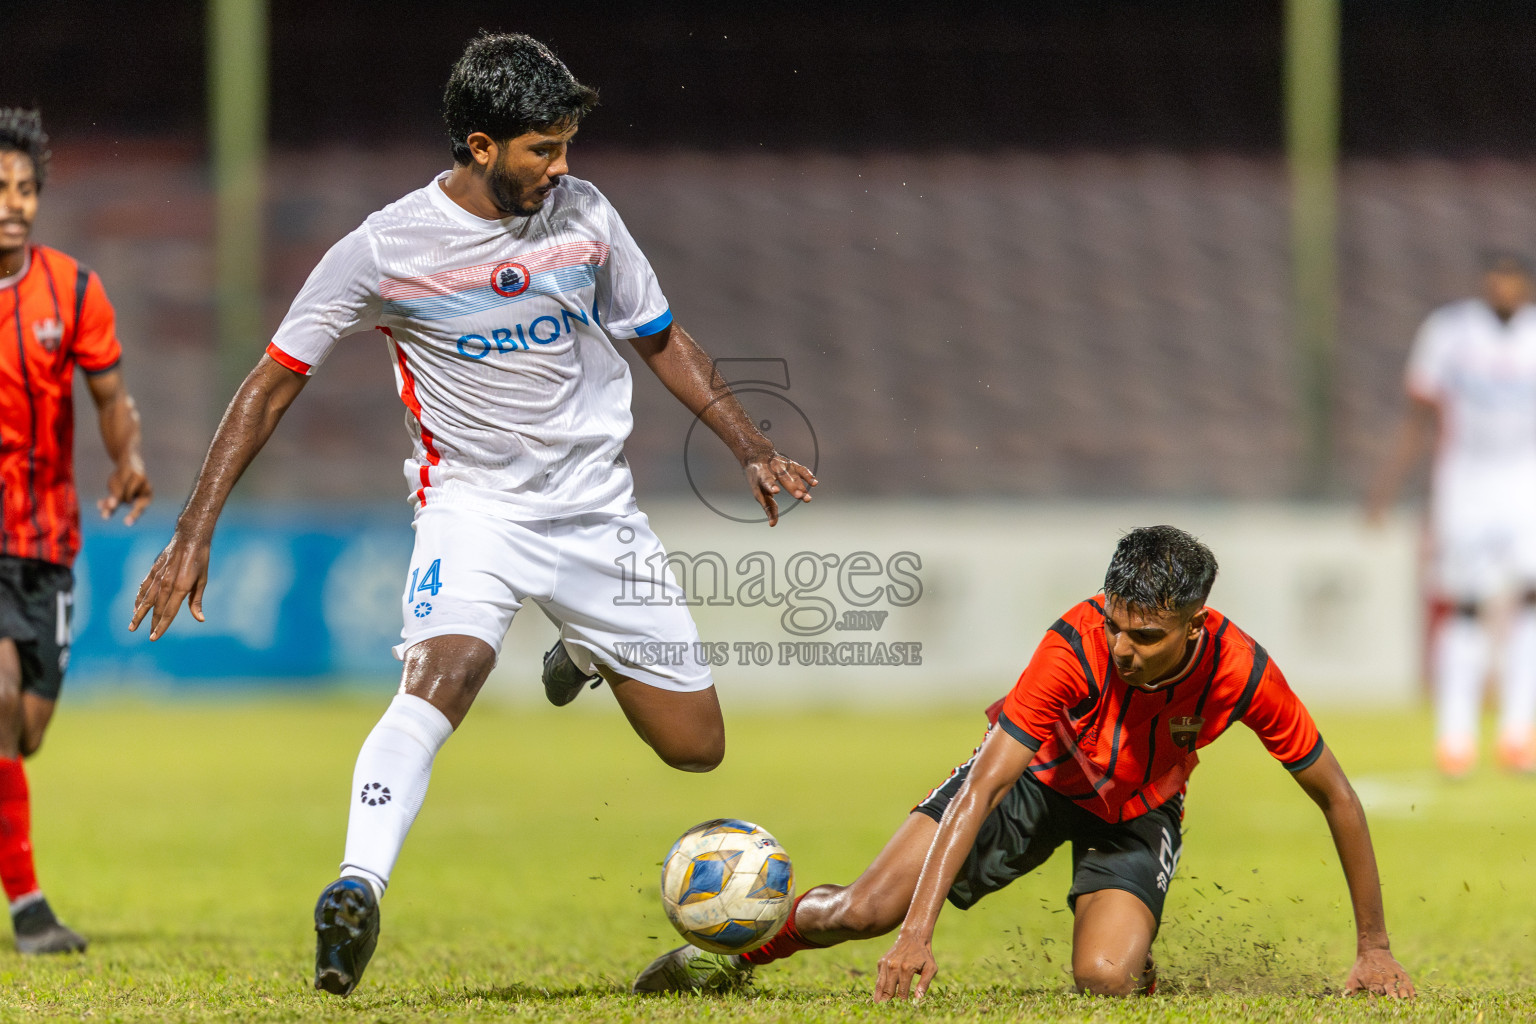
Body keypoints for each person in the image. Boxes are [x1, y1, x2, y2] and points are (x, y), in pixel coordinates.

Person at [127, 34, 815, 996]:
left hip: (594, 510)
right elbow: (271, 384)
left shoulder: (584, 215)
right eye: (545, 148)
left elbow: (661, 340)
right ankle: (356, 884)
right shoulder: (383, 248)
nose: (563, 166)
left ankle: (581, 648)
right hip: (474, 507)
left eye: (568, 145)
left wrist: (749, 445)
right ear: (481, 145)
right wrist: (195, 531)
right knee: (446, 672)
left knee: (697, 749)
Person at [634, 526, 1415, 1000]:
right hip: (1030, 789)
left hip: (1138, 813)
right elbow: (985, 786)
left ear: (1194, 627)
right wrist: (916, 933)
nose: (1123, 648)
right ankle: (742, 953)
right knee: (863, 914)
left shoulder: (1241, 670)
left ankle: (1132, 958)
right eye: (1118, 626)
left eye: (1146, 638)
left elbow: (1337, 797)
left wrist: (1374, 950)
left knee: (1104, 981)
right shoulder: (1073, 646)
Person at [0, 108, 153, 953]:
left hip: (47, 544)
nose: (12, 203)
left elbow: (111, 403)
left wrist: (126, 458)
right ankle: (29, 910)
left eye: (24, 189)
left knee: (26, 728)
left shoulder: (74, 291)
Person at [1367, 254, 1536, 778]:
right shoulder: (1449, 332)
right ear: (1486, 282)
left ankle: (1517, 733)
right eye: (1496, 277)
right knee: (1464, 605)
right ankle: (1456, 737)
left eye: (1513, 278)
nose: (1504, 286)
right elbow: (1420, 414)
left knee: (1530, 600)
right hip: (1466, 482)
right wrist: (1387, 485)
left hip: (1526, 480)